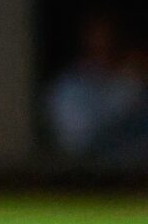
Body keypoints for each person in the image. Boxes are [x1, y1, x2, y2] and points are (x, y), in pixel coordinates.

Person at [46, 10, 148, 158]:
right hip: (89, 167)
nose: (105, 45)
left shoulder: (130, 79)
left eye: (110, 38)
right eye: (97, 38)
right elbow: (78, 141)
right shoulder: (68, 86)